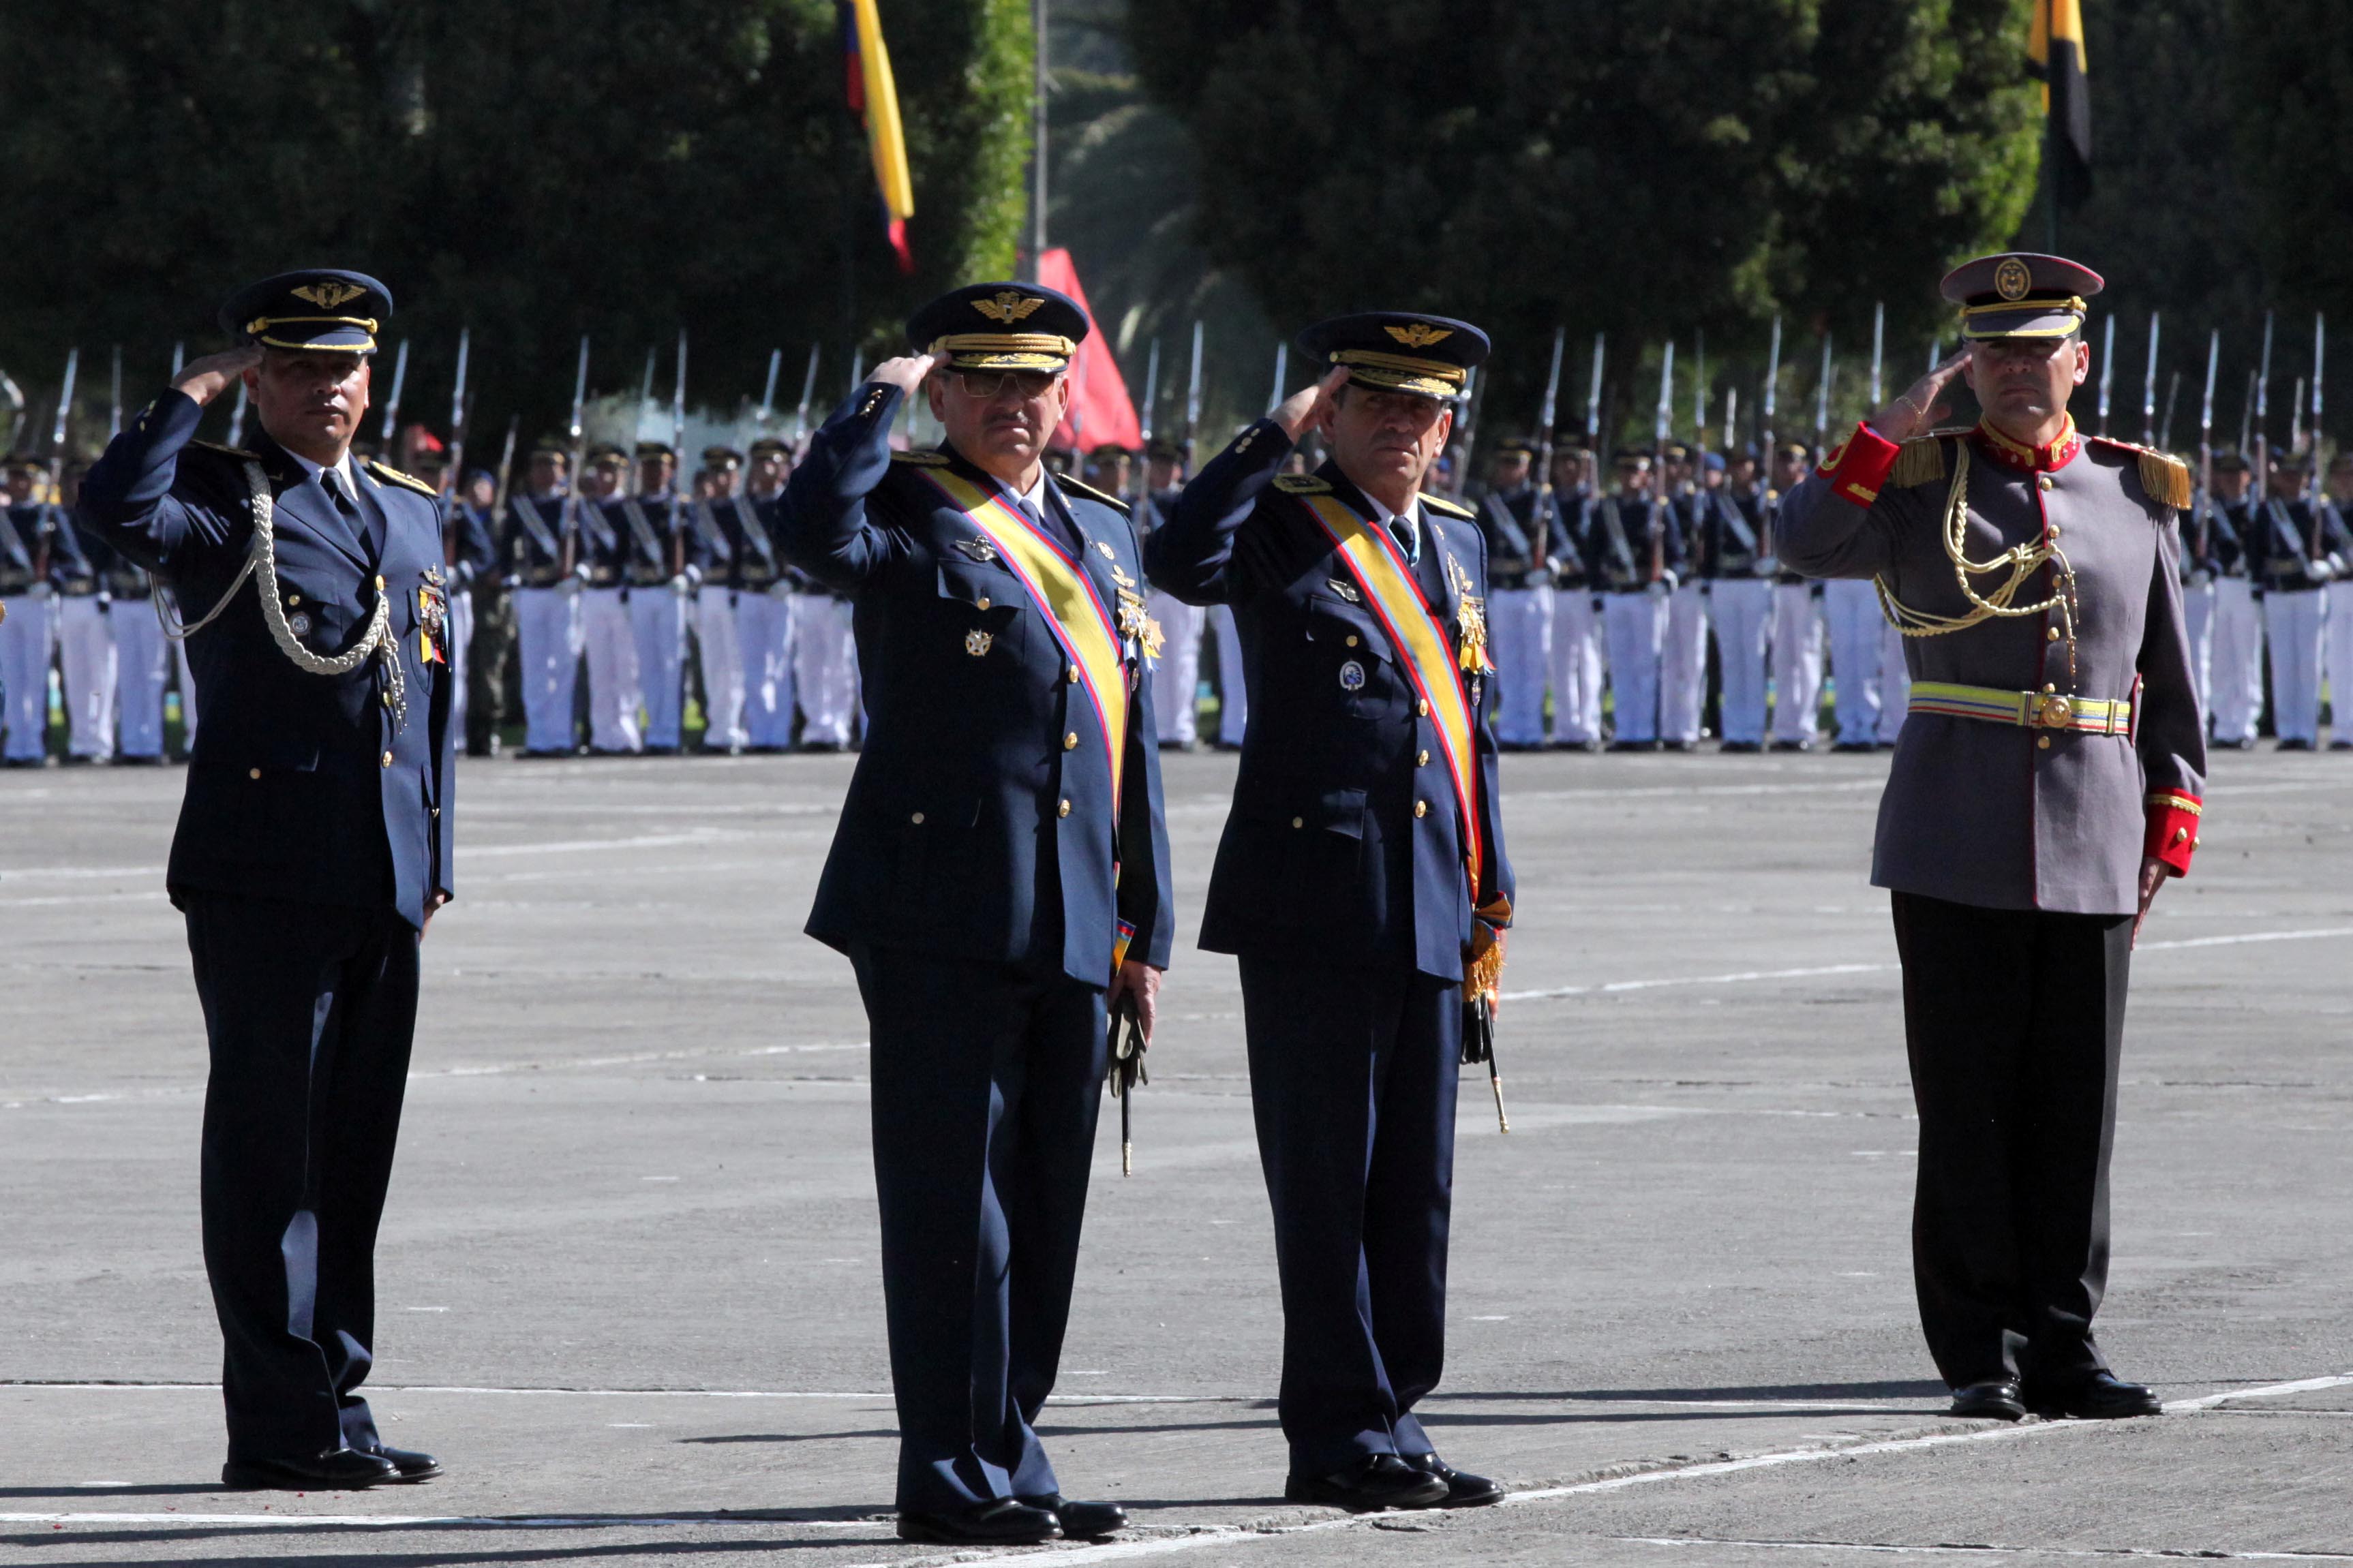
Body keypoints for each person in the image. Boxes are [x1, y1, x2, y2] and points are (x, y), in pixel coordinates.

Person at [776, 281, 1172, 1548]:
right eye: (983, 382)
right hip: (939, 905)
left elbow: (1130, 750)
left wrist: (1143, 930)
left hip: (1072, 914)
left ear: (1068, 398)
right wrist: (873, 402)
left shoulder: (1101, 535)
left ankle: (1013, 1449)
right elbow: (804, 530)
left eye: (1036, 384)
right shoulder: (900, 508)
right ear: (942, 392)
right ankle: (944, 1471)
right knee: (955, 1204)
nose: (1015, 405)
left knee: (1047, 1200)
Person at [1780, 251, 2204, 1424]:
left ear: (2081, 361)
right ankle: (1978, 1348)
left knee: (2075, 1106)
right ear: (1968, 363)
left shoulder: (2132, 494)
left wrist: (2171, 810)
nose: (2019, 372)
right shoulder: (1920, 483)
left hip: (2096, 828)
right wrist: (1894, 422)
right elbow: (1804, 542)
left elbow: (2163, 674)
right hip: (1954, 831)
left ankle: (2064, 1341)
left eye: (2039, 351)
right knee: (1965, 1101)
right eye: (1995, 351)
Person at [73, 268, 457, 1488]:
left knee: (352, 1160)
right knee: (268, 1159)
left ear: (372, 377)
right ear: (259, 378)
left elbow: (428, 695)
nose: (326, 389)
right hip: (265, 877)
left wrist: (437, 854)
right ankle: (280, 1426)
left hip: (385, 877)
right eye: (295, 368)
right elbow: (111, 509)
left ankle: (338, 1402)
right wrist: (192, 393)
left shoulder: (407, 509)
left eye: (343, 368)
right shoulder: (218, 495)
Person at [1147, 312, 1513, 1515]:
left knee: (1414, 1184)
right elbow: (1177, 559)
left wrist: (1489, 886)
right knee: (1325, 1180)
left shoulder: (1455, 542)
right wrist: (1269, 438)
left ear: (1447, 429)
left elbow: (1470, 735)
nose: (1400, 429)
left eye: (1421, 412)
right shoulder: (1280, 526)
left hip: (1425, 900)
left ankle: (1396, 1411)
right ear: (1334, 414)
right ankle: (1334, 1432)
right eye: (1375, 407)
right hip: (1313, 899)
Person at [2243, 448, 2350, 750]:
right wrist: (2257, 588)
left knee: (2309, 663)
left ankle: (2306, 729)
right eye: (2287, 476)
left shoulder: (2317, 509)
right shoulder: (2269, 510)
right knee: (2283, 663)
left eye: (2297, 476)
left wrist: (2328, 564)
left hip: (2309, 589)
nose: (2292, 481)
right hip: (2278, 590)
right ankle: (2288, 730)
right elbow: (2257, 550)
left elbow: (2337, 545)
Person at [1591, 449, 1681, 750]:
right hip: (1618, 593)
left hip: (1646, 595)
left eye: (1637, 472)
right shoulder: (1609, 509)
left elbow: (1677, 554)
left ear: (1648, 477)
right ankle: (1626, 730)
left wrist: (1668, 578)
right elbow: (1596, 551)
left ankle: (1645, 730)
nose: (1631, 478)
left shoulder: (1657, 510)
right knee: (1620, 666)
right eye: (1626, 472)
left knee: (1646, 665)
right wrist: (1598, 591)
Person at [503, 441, 583, 756]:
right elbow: (507, 545)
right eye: (539, 467)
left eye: (552, 467)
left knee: (563, 665)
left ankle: (562, 736)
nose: (545, 473)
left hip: (562, 592)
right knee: (534, 666)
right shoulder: (521, 506)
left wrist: (580, 574)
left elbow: (586, 548)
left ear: (562, 472)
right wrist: (510, 579)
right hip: (532, 590)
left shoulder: (572, 506)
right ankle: (538, 736)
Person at [1474, 440, 1554, 750]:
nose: (1511, 471)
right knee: (1506, 663)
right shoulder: (1491, 504)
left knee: (1534, 663)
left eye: (1516, 465)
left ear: (1527, 467)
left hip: (1532, 589)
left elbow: (1559, 540)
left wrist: (1551, 565)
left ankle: (1532, 729)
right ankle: (1509, 728)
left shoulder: (1540, 500)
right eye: (1506, 465)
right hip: (1504, 589)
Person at [621, 441, 692, 754]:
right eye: (647, 467)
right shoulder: (631, 508)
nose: (653, 473)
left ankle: (670, 732)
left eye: (659, 467)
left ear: (670, 471)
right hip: (639, 590)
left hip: (669, 590)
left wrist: (687, 576)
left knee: (671, 662)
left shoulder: (681, 506)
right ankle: (654, 732)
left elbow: (698, 547)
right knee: (647, 664)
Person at [50, 463, 117, 763]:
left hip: (97, 599)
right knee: (75, 675)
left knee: (101, 676)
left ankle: (101, 742)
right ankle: (80, 740)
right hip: (69, 599)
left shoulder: (106, 516)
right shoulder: (59, 516)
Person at [1138, 438, 1204, 748]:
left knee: (1183, 659)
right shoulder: (1138, 500)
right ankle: (1158, 726)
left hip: (1180, 591)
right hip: (1149, 589)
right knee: (1153, 660)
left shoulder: (1187, 500)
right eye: (1158, 465)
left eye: (1169, 465)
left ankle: (1181, 727)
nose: (1164, 471)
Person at [1710, 446, 1776, 751]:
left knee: (1754, 656)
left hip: (1754, 583)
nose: (1740, 471)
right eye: (1735, 465)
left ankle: (1753, 729)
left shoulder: (1766, 502)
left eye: (1745, 465)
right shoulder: (1718, 503)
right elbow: (1707, 543)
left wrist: (1773, 561)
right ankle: (1734, 730)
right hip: (1725, 582)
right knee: (1731, 659)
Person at [737, 436, 801, 751]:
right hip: (750, 591)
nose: (765, 468)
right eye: (760, 462)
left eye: (771, 462)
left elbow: (803, 547)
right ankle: (758, 732)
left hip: (779, 591)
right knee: (752, 667)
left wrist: (793, 579)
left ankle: (778, 733)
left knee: (779, 664)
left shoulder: (791, 501)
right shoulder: (745, 506)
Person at [575, 444, 639, 753]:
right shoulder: (586, 509)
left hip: (621, 591)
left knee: (626, 668)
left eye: (612, 471)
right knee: (600, 668)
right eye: (602, 471)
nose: (606, 477)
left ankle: (626, 733)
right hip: (593, 593)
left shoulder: (628, 509)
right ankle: (602, 734)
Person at [685, 445, 749, 754]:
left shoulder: (744, 510)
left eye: (725, 472)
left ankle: (735, 727)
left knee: (735, 664)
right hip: (708, 592)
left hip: (735, 592)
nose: (719, 478)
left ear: (736, 476)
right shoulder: (699, 511)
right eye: (714, 472)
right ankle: (717, 728)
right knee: (713, 665)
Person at [1765, 442, 1826, 750]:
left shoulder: (1812, 497)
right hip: (1779, 585)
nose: (1787, 467)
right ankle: (1785, 727)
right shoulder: (1772, 501)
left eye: (1793, 461)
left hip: (1805, 585)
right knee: (1783, 658)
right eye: (1782, 461)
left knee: (1806, 656)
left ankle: (1804, 727)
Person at [1545, 445, 1605, 748]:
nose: (1568, 468)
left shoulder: (1592, 503)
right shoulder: (1548, 501)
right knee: (1560, 661)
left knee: (1588, 659)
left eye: (1575, 462)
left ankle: (1589, 727)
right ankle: (1566, 728)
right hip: (1556, 588)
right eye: (1563, 461)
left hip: (1583, 588)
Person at [440, 466, 500, 756]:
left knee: (455, 667)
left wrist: (461, 571)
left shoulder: (458, 510)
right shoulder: (406, 500)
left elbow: (484, 555)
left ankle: (455, 736)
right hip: (420, 596)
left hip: (455, 595)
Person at [2202, 451, 2261, 748]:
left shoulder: (2256, 509)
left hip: (2247, 586)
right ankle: (2224, 724)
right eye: (2225, 475)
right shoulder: (2212, 510)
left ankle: (2246, 723)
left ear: (2248, 477)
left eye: (2236, 474)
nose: (2230, 480)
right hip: (2221, 583)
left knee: (2246, 656)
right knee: (2222, 657)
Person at [1, 457, 57, 765]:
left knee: (36, 673)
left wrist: (51, 581)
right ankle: (15, 744)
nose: (20, 483)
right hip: (5, 601)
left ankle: (34, 742)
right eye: (15, 477)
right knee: (9, 674)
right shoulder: (3, 517)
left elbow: (63, 556)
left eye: (26, 478)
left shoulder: (45, 514)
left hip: (35, 599)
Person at [1660, 444, 1714, 750]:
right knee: (1668, 661)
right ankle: (1668, 727)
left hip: (1692, 586)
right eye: (1668, 462)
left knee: (1692, 661)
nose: (1674, 469)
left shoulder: (1699, 501)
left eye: (1679, 463)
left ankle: (1689, 727)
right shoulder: (1654, 501)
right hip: (1660, 589)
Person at [2326, 453, 2353, 748]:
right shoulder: (2326, 511)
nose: (2347, 481)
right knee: (2338, 661)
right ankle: (2343, 728)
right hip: (2336, 588)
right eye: (2342, 476)